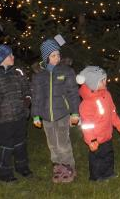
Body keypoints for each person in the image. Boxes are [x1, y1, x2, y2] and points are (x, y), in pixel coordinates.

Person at [31, 38, 80, 183]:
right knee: (52, 143)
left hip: (62, 114)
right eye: (53, 55)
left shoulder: (66, 71)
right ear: (46, 58)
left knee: (63, 143)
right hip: (46, 116)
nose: (57, 58)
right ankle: (58, 166)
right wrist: (35, 116)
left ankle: (69, 167)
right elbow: (37, 96)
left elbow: (73, 93)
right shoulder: (39, 75)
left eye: (58, 54)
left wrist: (75, 113)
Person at [0, 44, 33, 182]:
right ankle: (4, 173)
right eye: (9, 55)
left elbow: (27, 87)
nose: (13, 57)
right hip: (4, 118)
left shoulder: (19, 71)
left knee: (20, 143)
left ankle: (22, 167)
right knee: (6, 145)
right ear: (1, 59)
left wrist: (27, 99)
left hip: (20, 115)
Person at [77, 66, 120, 181]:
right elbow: (86, 125)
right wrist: (91, 140)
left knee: (108, 155)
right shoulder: (87, 103)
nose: (105, 81)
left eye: (105, 79)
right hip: (96, 138)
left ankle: (108, 173)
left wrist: (118, 123)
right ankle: (96, 176)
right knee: (97, 158)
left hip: (107, 135)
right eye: (102, 80)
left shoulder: (106, 95)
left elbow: (112, 111)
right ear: (93, 83)